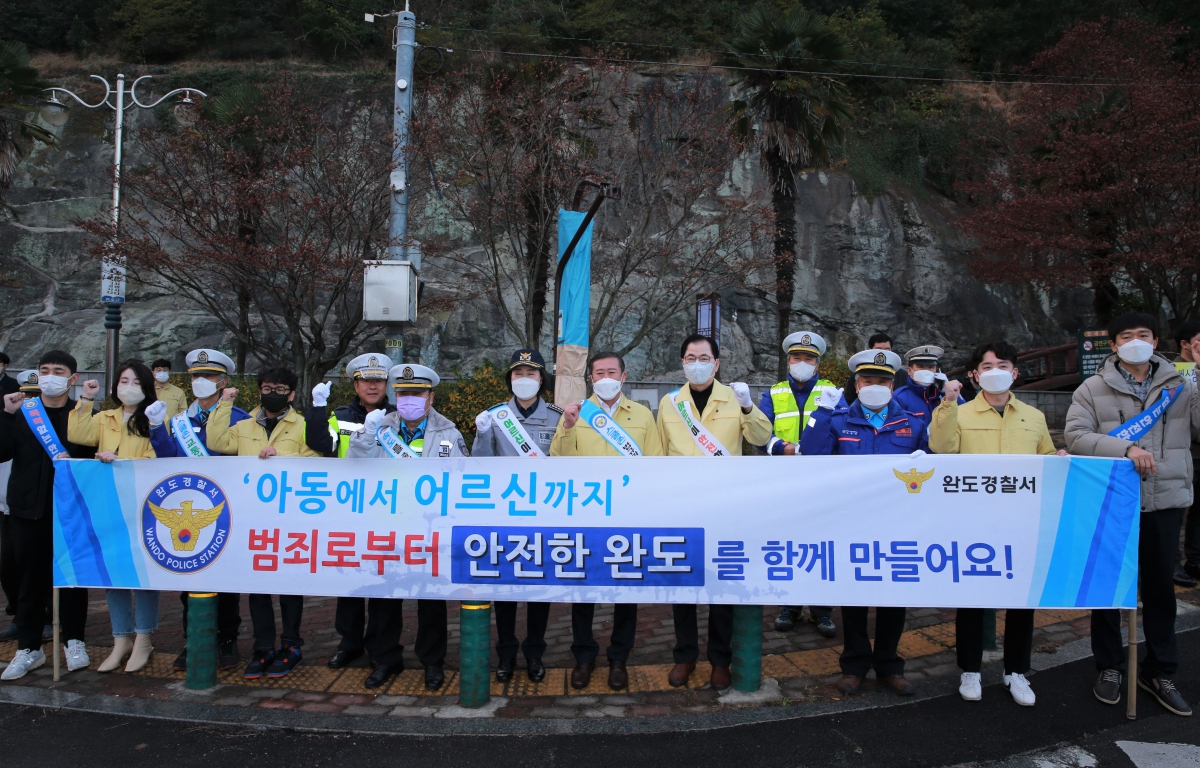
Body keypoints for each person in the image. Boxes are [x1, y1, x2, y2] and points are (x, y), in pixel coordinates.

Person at [1065, 311, 1200, 717]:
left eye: (1144, 334)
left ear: (1156, 342)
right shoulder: (1091, 388)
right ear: (1114, 344)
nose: (1136, 341)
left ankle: (1160, 671)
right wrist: (1125, 449)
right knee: (1107, 586)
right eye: (1127, 335)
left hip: (1165, 500)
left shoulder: (1182, 387)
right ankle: (1109, 666)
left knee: (1160, 590)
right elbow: (1075, 436)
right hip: (1111, 501)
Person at [930, 341, 1067, 707]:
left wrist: (1060, 458)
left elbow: (1047, 463)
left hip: (1022, 521)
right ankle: (970, 669)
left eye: (1001, 365)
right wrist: (946, 403)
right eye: (986, 366)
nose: (994, 371)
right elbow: (941, 449)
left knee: (1022, 599)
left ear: (1015, 372)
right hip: (974, 520)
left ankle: (1016, 671)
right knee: (973, 596)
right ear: (974, 375)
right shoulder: (958, 413)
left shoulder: (1034, 417)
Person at [800, 348, 926, 697]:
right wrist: (821, 412)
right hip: (851, 523)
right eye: (868, 380)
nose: (875, 386)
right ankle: (854, 665)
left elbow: (936, 464)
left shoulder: (912, 423)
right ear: (856, 384)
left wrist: (927, 454)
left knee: (893, 597)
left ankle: (889, 665)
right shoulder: (839, 420)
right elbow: (810, 454)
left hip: (896, 524)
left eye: (883, 381)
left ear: (892, 385)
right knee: (853, 596)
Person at [656, 333, 772, 691]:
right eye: (690, 357)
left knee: (721, 589)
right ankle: (685, 657)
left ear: (716, 363)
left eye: (703, 357)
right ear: (682, 362)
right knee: (684, 587)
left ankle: (720, 661)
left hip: (725, 507)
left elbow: (760, 437)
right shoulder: (669, 402)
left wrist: (749, 407)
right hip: (683, 507)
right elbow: (659, 454)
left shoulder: (733, 398)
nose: (696, 363)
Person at [346, 363, 468, 690]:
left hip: (430, 530)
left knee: (431, 600)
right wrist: (366, 437)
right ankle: (385, 659)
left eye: (417, 393)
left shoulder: (449, 433)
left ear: (430, 396)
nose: (409, 399)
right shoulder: (379, 427)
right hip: (388, 526)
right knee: (385, 596)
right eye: (403, 393)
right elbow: (355, 471)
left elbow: (460, 480)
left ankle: (432, 662)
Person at [551, 350, 664, 691]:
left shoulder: (643, 416)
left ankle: (619, 658)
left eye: (611, 372)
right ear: (590, 378)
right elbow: (558, 460)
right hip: (585, 516)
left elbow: (656, 464)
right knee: (582, 590)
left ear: (624, 376)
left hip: (628, 517)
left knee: (625, 590)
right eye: (598, 373)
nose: (605, 378)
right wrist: (569, 426)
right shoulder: (574, 413)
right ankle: (583, 657)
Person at [207, 367, 319, 680]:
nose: (273, 392)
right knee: (257, 587)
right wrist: (224, 404)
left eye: (280, 388)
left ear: (292, 394)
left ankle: (292, 645)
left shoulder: (302, 426)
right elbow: (216, 441)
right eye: (267, 387)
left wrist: (283, 461)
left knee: (288, 586)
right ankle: (263, 647)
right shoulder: (242, 425)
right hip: (253, 519)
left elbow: (316, 464)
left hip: (290, 520)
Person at [305, 353, 406, 689]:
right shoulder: (341, 416)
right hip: (350, 515)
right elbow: (321, 445)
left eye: (379, 380)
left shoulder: (400, 416)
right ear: (356, 384)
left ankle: (384, 654)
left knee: (384, 590)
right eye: (366, 380)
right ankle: (349, 644)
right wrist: (318, 409)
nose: (373, 385)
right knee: (348, 586)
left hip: (389, 515)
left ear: (387, 384)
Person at [147, 349, 249, 672]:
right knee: (190, 578)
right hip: (188, 512)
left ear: (223, 382)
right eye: (195, 376)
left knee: (227, 581)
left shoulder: (239, 417)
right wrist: (155, 428)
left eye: (208, 376)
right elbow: (167, 459)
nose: (200, 382)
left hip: (225, 511)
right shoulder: (178, 421)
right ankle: (194, 638)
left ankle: (227, 638)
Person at [0, 352, 93, 680]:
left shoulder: (82, 414)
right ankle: (29, 647)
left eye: (58, 371)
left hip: (70, 510)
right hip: (28, 509)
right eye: (44, 371)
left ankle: (74, 640)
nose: (50, 376)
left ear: (72, 379)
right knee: (29, 580)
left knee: (72, 577)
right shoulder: (25, 412)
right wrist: (7, 415)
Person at [473, 349, 562, 685]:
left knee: (540, 591)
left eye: (532, 373)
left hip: (545, 516)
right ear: (509, 379)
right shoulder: (494, 417)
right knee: (505, 590)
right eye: (517, 373)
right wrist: (482, 434)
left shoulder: (555, 417)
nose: (524, 379)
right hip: (505, 516)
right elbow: (480, 467)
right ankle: (506, 655)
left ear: (542, 380)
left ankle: (535, 654)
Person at [69, 360, 161, 674]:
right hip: (109, 504)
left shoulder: (155, 417)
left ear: (147, 387)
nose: (128, 387)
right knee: (113, 575)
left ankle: (144, 638)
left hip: (142, 505)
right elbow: (77, 434)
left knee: (143, 577)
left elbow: (158, 459)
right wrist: (85, 398)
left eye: (135, 382)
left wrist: (119, 460)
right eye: (123, 381)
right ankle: (120, 639)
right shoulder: (104, 416)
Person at [756, 331, 842, 639]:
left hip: (822, 482)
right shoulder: (774, 393)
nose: (801, 363)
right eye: (796, 358)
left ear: (818, 363)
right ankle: (789, 605)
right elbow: (760, 433)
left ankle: (822, 610)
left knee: (821, 545)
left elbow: (841, 433)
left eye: (808, 359)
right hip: (785, 481)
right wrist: (786, 448)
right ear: (788, 361)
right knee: (788, 544)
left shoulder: (833, 391)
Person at [1172, 321, 1200, 587]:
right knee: (1177, 509)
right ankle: (1172, 564)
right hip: (1183, 452)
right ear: (1185, 344)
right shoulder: (1179, 371)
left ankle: (1195, 560)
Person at [893, 345, 963, 428]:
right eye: (920, 367)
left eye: (931, 367)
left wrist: (949, 394)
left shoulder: (942, 394)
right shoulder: (899, 397)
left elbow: (964, 416)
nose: (926, 371)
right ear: (909, 371)